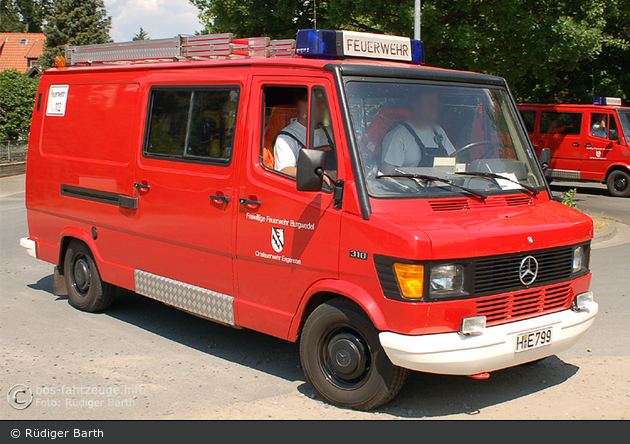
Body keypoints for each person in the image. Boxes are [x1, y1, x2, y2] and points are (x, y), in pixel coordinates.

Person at [380, 89, 456, 175]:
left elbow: (453, 162)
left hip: (441, 187)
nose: (433, 108)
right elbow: (388, 175)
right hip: (408, 188)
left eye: (435, 104)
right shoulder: (398, 135)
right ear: (415, 106)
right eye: (428, 104)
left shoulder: (438, 131)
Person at [274, 89, 332, 177]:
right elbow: (284, 170)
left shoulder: (330, 132)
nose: (325, 106)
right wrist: (321, 174)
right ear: (303, 105)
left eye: (325, 102)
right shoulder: (286, 138)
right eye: (319, 102)